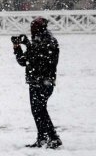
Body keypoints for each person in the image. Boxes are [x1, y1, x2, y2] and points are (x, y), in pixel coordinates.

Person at [13, 18, 61, 148]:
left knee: (38, 111)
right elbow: (32, 59)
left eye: (33, 28)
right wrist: (27, 45)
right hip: (46, 82)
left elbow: (25, 61)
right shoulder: (49, 41)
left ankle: (50, 137)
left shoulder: (41, 43)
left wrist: (19, 47)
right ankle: (45, 137)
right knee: (40, 110)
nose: (31, 30)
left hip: (38, 82)